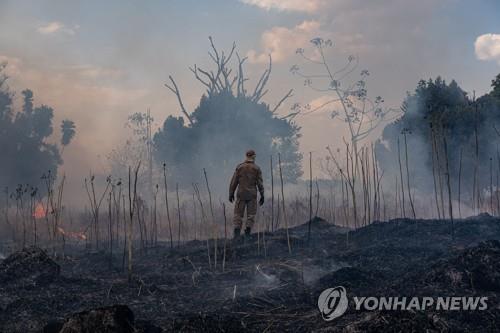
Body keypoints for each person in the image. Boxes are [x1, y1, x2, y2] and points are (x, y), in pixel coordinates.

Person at [229, 149, 264, 238]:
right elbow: (260, 183)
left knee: (238, 214)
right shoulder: (257, 168)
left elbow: (234, 181)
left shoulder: (240, 167)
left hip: (241, 194)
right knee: (251, 215)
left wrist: (231, 193)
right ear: (253, 157)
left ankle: (236, 234)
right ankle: (247, 233)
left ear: (246, 156)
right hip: (252, 195)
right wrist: (262, 195)